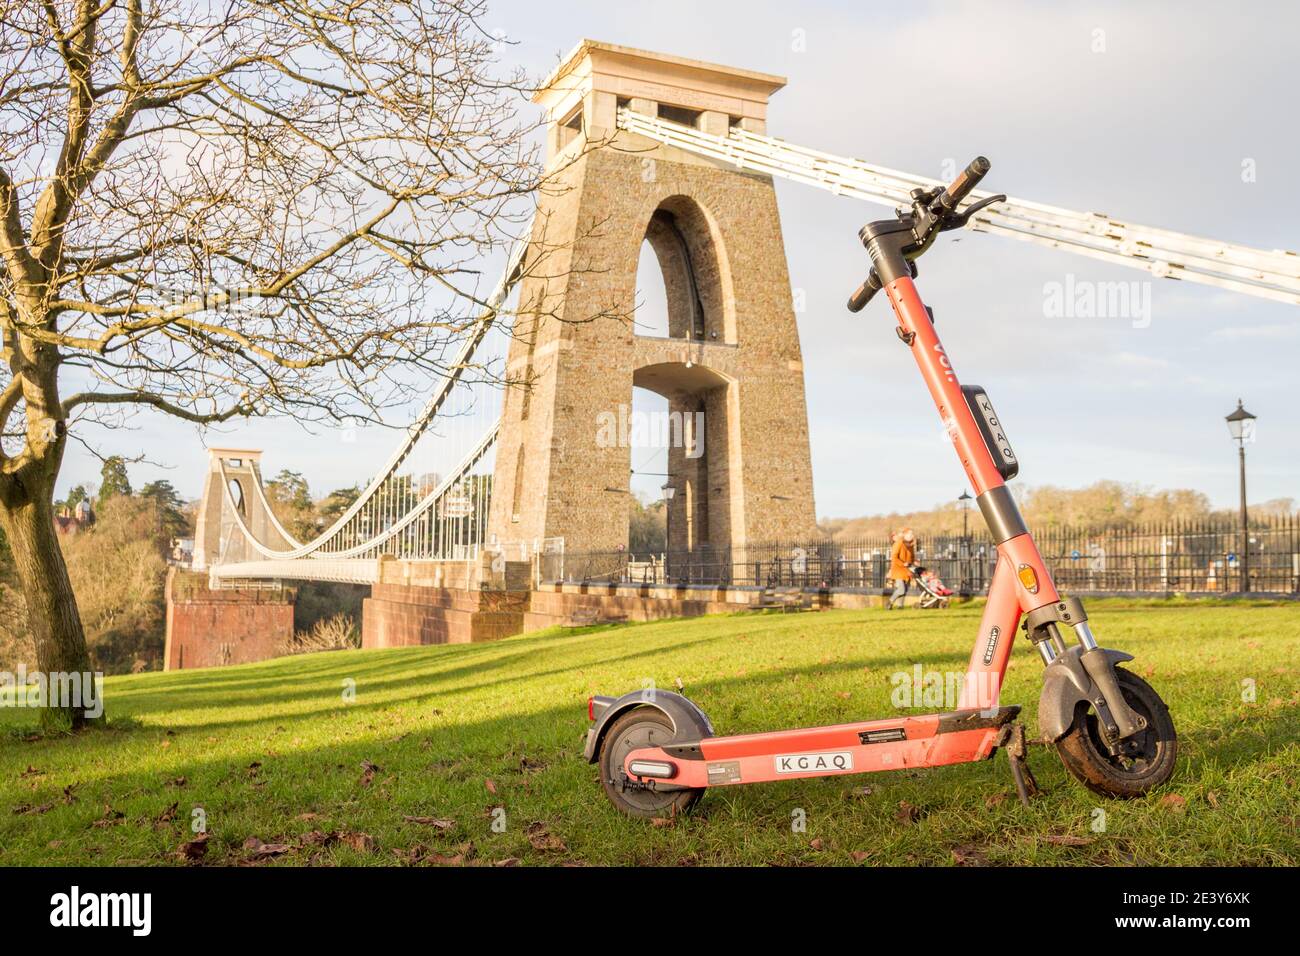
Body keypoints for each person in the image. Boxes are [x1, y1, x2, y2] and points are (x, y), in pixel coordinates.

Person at [887, 528, 916, 609]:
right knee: (901, 589)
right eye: (910, 534)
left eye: (912, 534)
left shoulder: (911, 545)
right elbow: (894, 557)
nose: (912, 535)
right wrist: (903, 563)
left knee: (905, 590)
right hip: (898, 569)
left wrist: (914, 561)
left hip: (907, 570)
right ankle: (890, 602)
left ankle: (900, 606)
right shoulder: (898, 543)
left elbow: (912, 556)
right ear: (905, 535)